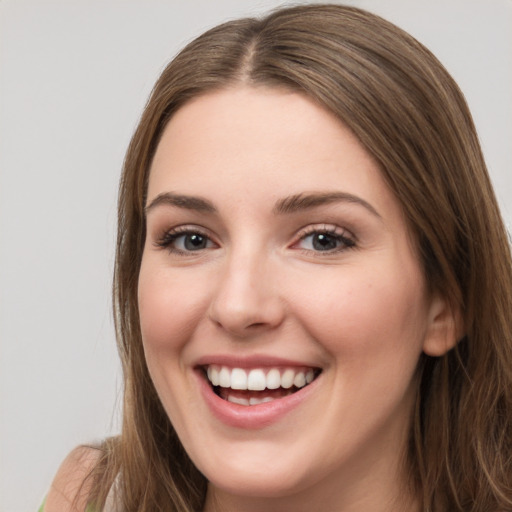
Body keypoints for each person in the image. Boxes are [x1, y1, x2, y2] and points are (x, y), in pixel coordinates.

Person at [43, 3, 512, 511]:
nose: (238, 306)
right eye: (191, 239)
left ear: (448, 301)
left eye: (323, 240)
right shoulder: (94, 496)